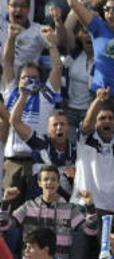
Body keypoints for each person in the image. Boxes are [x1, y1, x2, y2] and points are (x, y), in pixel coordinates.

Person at [1, 25, 63, 210]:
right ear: (18, 80)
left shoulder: (47, 95)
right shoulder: (11, 92)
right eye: (25, 78)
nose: (29, 82)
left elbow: (58, 67)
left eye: (34, 79)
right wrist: (12, 37)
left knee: (36, 213)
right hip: (13, 163)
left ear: (41, 81)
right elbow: (7, 63)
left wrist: (51, 45)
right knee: (8, 213)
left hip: (39, 163)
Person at [0, 165, 100, 259]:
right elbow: (3, 225)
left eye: (53, 179)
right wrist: (5, 203)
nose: (49, 182)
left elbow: (90, 230)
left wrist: (90, 206)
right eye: (46, 179)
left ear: (58, 183)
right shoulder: (28, 206)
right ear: (39, 183)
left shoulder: (70, 209)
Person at [70, 87, 114, 216]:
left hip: (111, 209)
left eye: (110, 118)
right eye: (102, 118)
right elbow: (87, 122)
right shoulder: (86, 140)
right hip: (83, 205)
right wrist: (99, 100)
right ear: (95, 124)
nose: (107, 121)